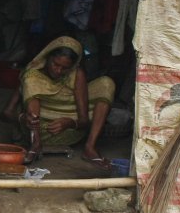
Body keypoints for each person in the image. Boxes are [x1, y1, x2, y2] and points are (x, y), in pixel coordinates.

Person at [12, 36, 114, 170]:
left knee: (106, 84)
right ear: (47, 57)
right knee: (31, 79)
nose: (58, 71)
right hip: (41, 130)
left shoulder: (77, 74)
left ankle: (90, 147)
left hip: (70, 133)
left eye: (65, 68)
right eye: (55, 64)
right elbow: (6, 113)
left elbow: (83, 122)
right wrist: (23, 118)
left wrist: (70, 123)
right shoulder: (31, 75)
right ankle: (35, 143)